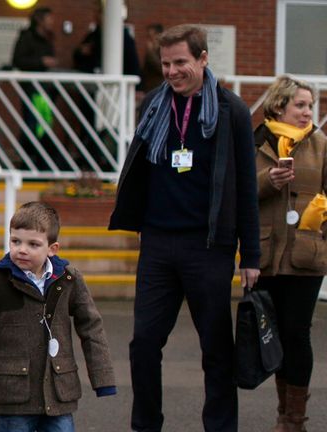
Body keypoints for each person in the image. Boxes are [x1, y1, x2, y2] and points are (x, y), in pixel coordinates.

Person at [108, 24, 260, 431]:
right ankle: (146, 425)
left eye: (181, 63)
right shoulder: (154, 106)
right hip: (157, 243)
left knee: (216, 349)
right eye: (165, 64)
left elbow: (246, 185)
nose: (172, 72)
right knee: (143, 345)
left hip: (208, 247)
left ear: (203, 59)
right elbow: (141, 168)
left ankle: (221, 426)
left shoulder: (233, 112)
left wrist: (252, 256)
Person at [0, 201, 117, 432]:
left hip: (59, 394)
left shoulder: (69, 279)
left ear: (52, 248)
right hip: (14, 395)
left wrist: (103, 379)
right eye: (15, 241)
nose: (22, 249)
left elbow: (92, 329)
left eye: (33, 244)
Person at [253, 75, 326, 432]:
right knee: (276, 333)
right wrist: (270, 181)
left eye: (310, 105)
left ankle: (294, 421)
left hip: (306, 256)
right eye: (300, 105)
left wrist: (320, 228)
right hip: (266, 255)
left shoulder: (321, 145)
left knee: (297, 332)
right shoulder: (256, 142)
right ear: (279, 105)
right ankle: (284, 411)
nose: (307, 112)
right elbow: (239, 193)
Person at [11, 7, 63, 171]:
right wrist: (42, 62)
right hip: (32, 90)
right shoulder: (27, 37)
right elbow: (18, 60)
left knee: (43, 125)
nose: (52, 22)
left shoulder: (46, 38)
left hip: (45, 90)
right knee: (32, 125)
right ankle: (27, 163)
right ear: (40, 20)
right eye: (49, 19)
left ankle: (39, 163)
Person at [140, 24, 164, 93]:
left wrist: (150, 52)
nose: (148, 40)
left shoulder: (163, 50)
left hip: (158, 88)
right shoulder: (151, 51)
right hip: (148, 89)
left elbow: (161, 68)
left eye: (150, 36)